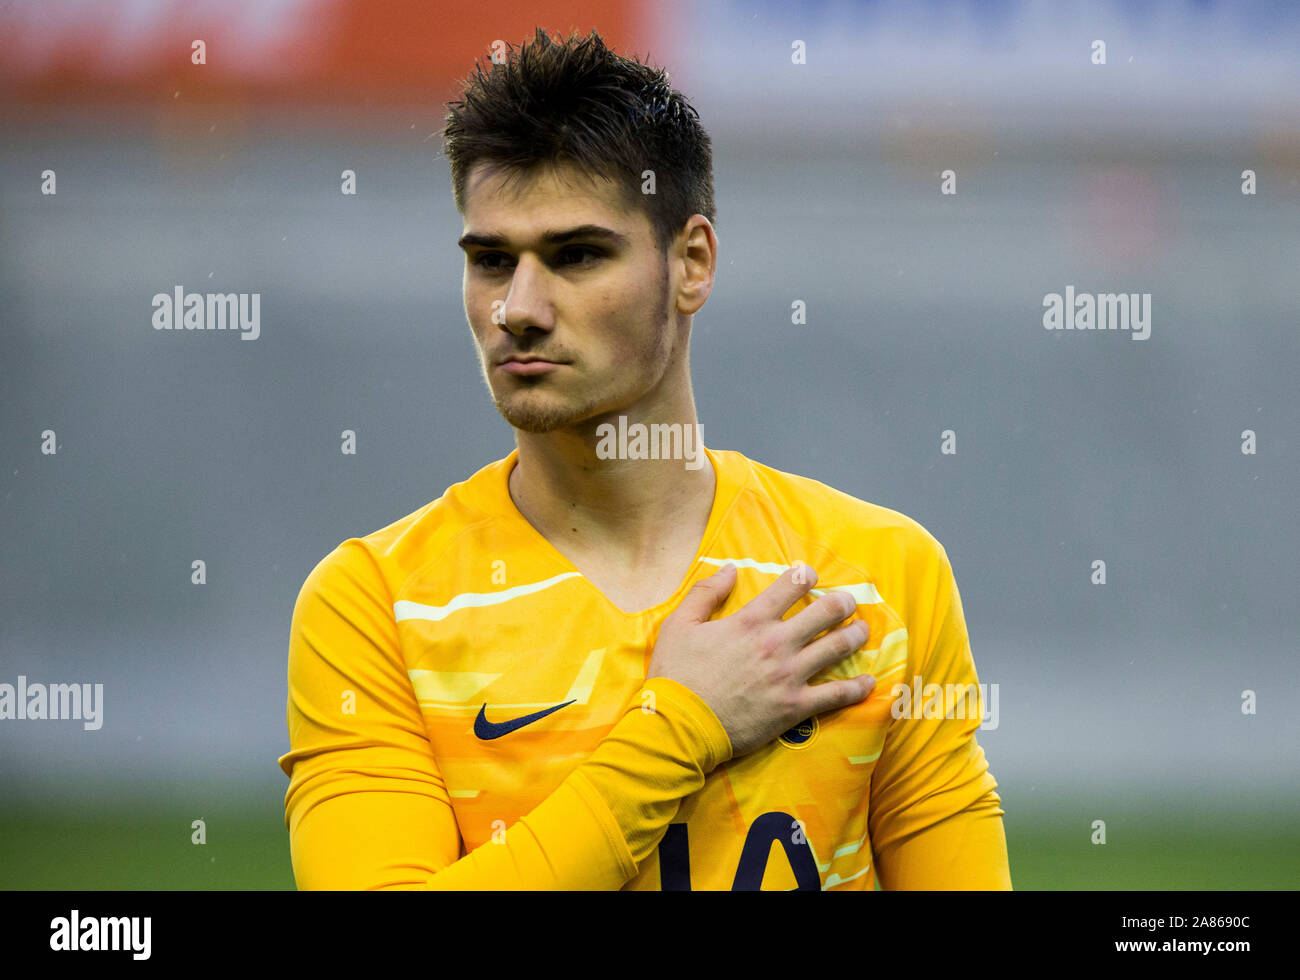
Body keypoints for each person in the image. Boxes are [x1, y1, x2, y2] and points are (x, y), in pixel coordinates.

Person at [278, 26, 1010, 890]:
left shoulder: (880, 576)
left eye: (576, 255)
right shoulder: (374, 606)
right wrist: (682, 725)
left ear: (691, 262)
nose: (518, 307)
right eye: (490, 261)